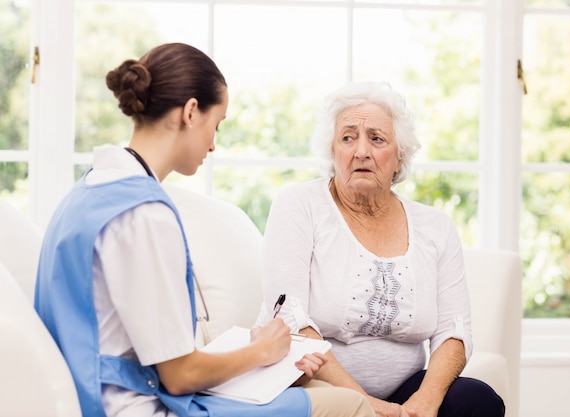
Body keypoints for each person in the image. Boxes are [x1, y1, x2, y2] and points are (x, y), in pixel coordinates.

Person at [34, 43, 374, 417]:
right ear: (191, 112)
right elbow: (179, 376)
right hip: (135, 408)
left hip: (96, 396)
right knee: (350, 404)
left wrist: (251, 351)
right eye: (217, 125)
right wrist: (261, 352)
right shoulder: (145, 214)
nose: (213, 144)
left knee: (314, 385)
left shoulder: (87, 192)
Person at [258, 81, 506, 417]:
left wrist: (425, 402)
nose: (361, 151)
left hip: (405, 393)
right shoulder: (299, 205)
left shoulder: (436, 226)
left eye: (376, 139)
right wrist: (367, 405)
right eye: (348, 137)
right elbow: (290, 317)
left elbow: (454, 331)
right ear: (333, 151)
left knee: (476, 400)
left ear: (399, 155)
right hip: (316, 385)